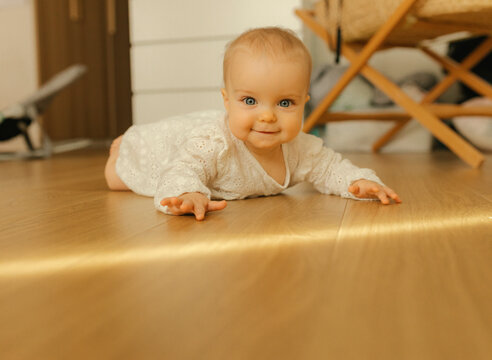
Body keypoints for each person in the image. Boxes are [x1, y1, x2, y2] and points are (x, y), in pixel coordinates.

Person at [105, 27, 401, 220]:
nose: (268, 116)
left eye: (285, 103)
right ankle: (121, 148)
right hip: (158, 147)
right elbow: (182, 168)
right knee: (117, 180)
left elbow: (331, 168)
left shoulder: (301, 148)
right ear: (227, 100)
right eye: (249, 101)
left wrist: (360, 183)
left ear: (303, 102)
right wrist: (188, 193)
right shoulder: (213, 143)